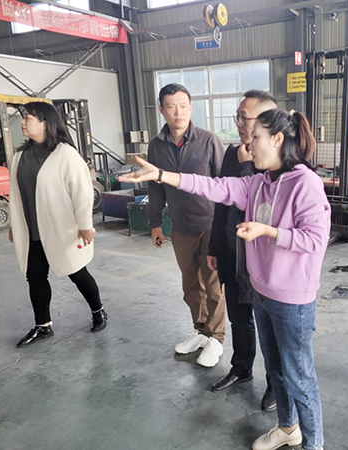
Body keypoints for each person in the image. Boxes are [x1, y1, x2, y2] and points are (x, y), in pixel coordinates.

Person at [120, 109, 330, 450]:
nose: (249, 144)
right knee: (276, 370)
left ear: (277, 139)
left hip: (293, 300)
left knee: (299, 376)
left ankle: (313, 444)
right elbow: (211, 186)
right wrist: (160, 174)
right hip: (262, 293)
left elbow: (315, 240)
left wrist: (268, 231)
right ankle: (288, 427)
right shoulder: (258, 183)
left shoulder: (305, 183)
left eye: (256, 137)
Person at [9, 102, 107, 348]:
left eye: (28, 118)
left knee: (77, 272)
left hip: (61, 229)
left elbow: (82, 193)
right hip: (32, 231)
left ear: (45, 122)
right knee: (35, 277)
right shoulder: (20, 156)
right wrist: (15, 224)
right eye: (23, 118)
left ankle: (98, 311)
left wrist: (85, 225)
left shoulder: (65, 154)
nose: (23, 122)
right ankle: (43, 325)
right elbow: (17, 195)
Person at [207, 90, 278, 412]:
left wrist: (248, 166)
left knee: (271, 327)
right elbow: (222, 202)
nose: (238, 123)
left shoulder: (279, 160)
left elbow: (264, 204)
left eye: (243, 118)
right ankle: (242, 367)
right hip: (232, 253)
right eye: (237, 116)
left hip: (263, 260)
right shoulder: (231, 153)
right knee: (239, 317)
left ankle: (277, 384)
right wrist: (215, 246)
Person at [147, 83, 226, 368]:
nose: (178, 112)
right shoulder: (156, 146)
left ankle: (216, 338)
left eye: (183, 106)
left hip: (210, 225)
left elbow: (225, 186)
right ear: (162, 110)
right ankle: (201, 330)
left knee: (214, 285)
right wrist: (155, 223)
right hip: (180, 227)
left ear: (190, 108)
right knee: (190, 285)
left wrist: (225, 227)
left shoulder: (208, 140)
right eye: (171, 106)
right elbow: (155, 187)